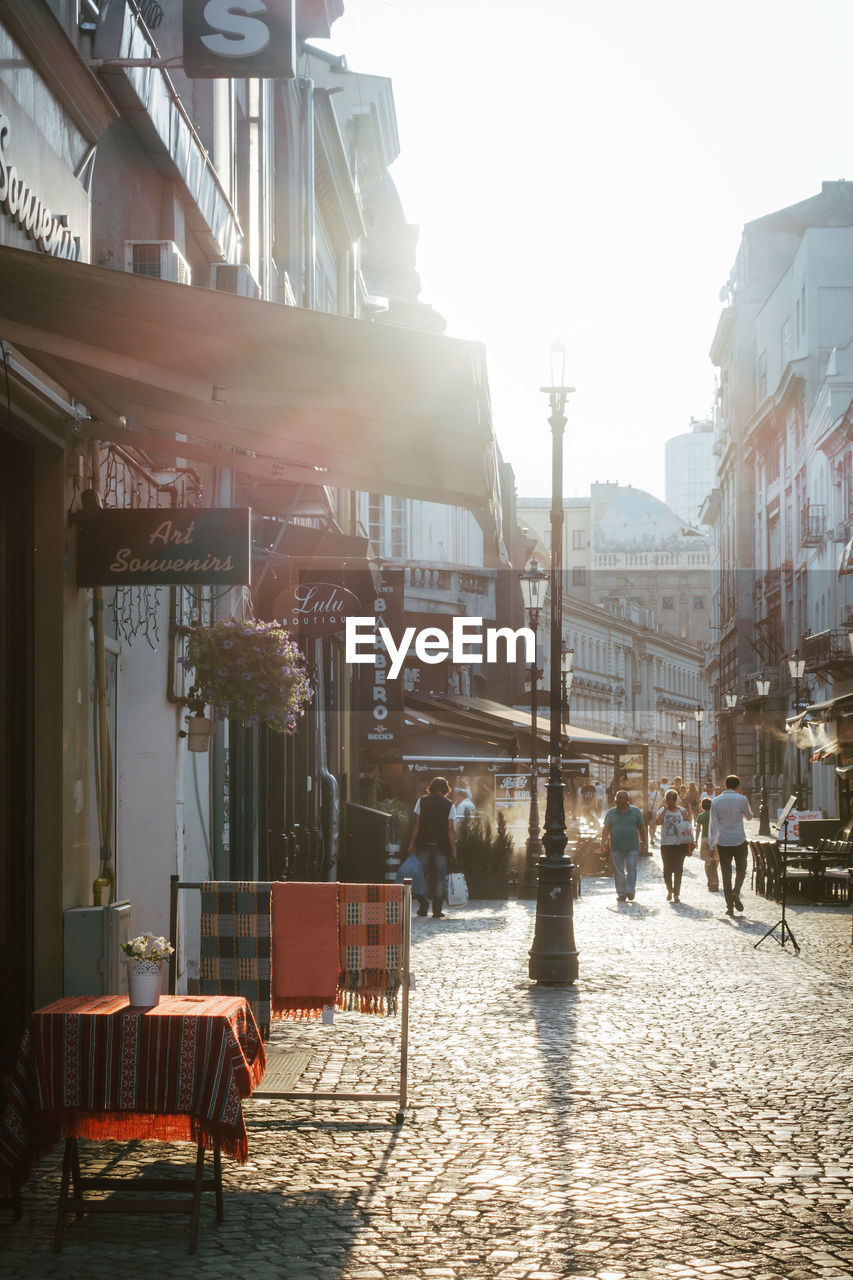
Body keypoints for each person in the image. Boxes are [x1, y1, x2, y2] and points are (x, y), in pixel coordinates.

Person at [408, 777, 457, 918]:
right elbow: (450, 830)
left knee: (421, 876)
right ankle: (437, 910)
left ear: (431, 787)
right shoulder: (450, 804)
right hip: (441, 846)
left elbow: (416, 824)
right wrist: (453, 850)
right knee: (440, 878)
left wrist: (412, 842)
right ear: (446, 789)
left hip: (423, 844)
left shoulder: (421, 801)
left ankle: (423, 907)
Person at [709, 773, 753, 917]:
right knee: (741, 869)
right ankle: (736, 892)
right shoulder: (741, 799)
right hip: (739, 839)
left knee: (726, 873)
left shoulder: (716, 801)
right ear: (738, 786)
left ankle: (729, 907)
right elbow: (749, 816)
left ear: (725, 785)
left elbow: (713, 825)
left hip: (723, 841)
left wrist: (711, 845)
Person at [601, 789, 648, 902]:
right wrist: (603, 842)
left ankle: (630, 891)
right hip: (616, 846)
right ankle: (621, 893)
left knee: (632, 869)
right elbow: (606, 829)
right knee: (619, 871)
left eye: (621, 798)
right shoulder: (611, 813)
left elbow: (642, 827)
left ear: (627, 800)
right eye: (617, 798)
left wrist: (645, 841)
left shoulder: (635, 811)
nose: (618, 800)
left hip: (632, 846)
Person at [656, 787, 694, 903]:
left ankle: (676, 893)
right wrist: (665, 810)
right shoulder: (662, 810)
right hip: (666, 844)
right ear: (665, 800)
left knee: (678, 869)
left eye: (673, 800)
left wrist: (687, 818)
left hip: (679, 845)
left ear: (676, 800)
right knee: (667, 869)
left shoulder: (682, 810)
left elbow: (688, 824)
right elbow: (658, 822)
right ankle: (669, 889)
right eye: (668, 800)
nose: (670, 802)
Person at [695, 796, 719, 892]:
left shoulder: (701, 816)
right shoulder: (715, 815)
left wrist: (696, 840)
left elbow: (697, 829)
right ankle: (714, 874)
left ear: (702, 806)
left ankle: (709, 878)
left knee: (706, 861)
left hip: (704, 839)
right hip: (715, 839)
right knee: (716, 859)